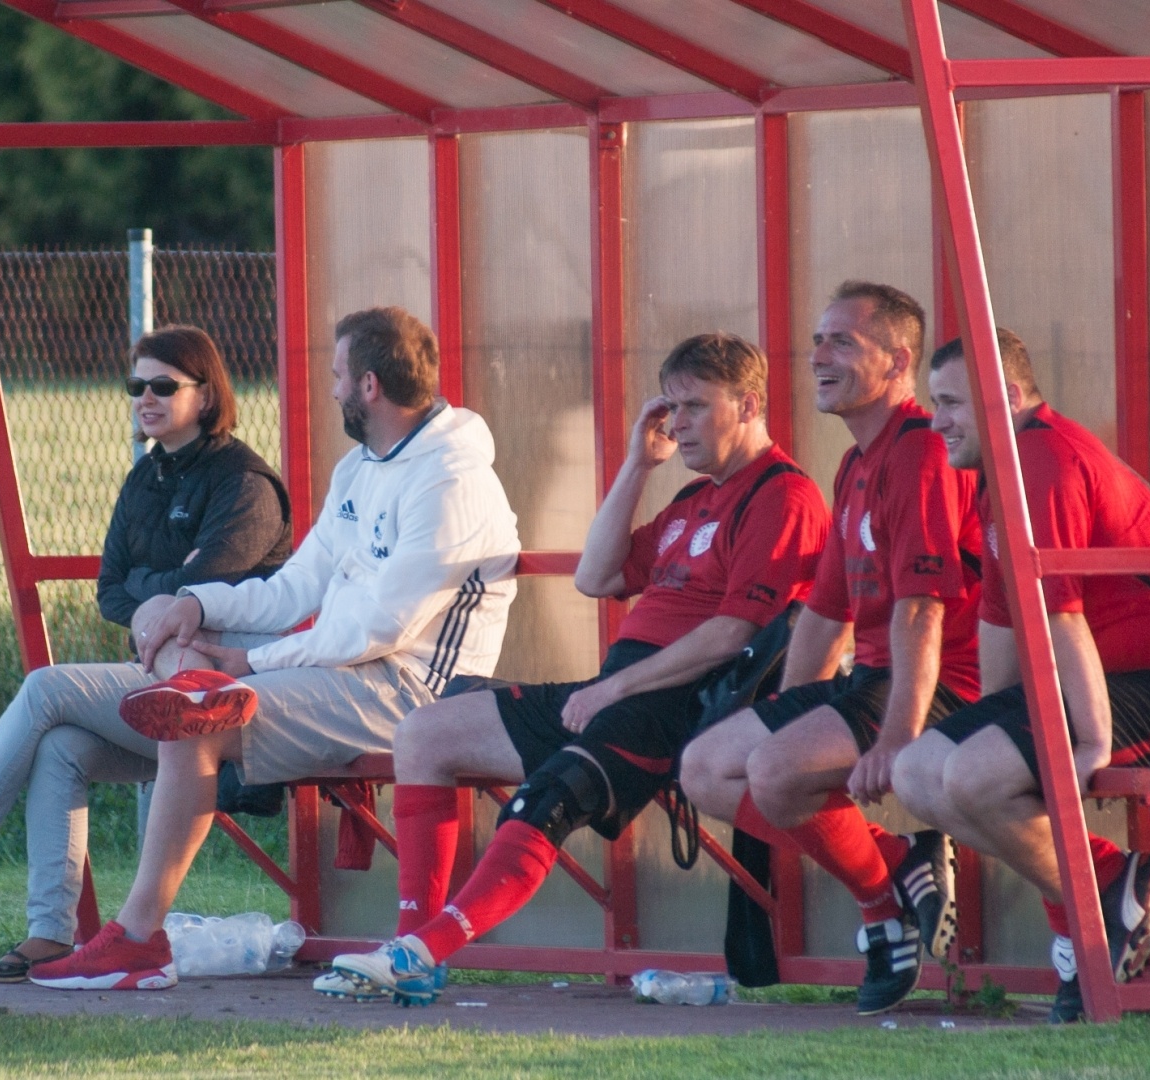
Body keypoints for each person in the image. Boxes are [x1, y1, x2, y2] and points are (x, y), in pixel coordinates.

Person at [323, 331, 829, 1005]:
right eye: (670, 408)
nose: (678, 424)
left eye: (695, 408)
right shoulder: (693, 499)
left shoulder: (781, 495)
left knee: (549, 795)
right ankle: (413, 951)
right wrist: (637, 467)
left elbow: (732, 634)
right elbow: (596, 576)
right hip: (619, 688)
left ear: (748, 405)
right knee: (425, 734)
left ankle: (425, 951)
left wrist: (616, 687)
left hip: (682, 702)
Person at [26, 305, 522, 991]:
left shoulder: (452, 481)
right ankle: (129, 938)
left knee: (200, 712)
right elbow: (294, 590)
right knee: (187, 708)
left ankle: (139, 940)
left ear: (370, 386)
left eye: (339, 375)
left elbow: (383, 629)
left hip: (414, 693)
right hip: (347, 677)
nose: (333, 388)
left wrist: (251, 662)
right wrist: (197, 603)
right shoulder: (361, 469)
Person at [0, 325, 293, 982]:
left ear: (206, 396)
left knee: (46, 688)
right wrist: (157, 600)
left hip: (230, 704)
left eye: (163, 386)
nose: (145, 398)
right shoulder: (145, 477)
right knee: (60, 746)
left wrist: (159, 598)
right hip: (161, 692)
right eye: (136, 386)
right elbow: (112, 590)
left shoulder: (246, 485)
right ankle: (50, 936)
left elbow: (207, 592)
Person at [892, 329, 1150, 1023]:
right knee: (918, 772)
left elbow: (1062, 616)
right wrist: (988, 728)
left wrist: (1086, 743)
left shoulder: (1039, 458)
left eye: (953, 404)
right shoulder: (997, 480)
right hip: (1104, 681)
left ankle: (1097, 906)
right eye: (935, 404)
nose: (938, 422)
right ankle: (1108, 881)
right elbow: (1002, 628)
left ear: (1009, 397)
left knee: (970, 776)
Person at [678, 282, 982, 1016]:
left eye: (842, 342)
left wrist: (901, 741)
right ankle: (892, 873)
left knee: (775, 774)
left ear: (899, 361)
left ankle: (885, 916)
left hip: (944, 678)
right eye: (818, 340)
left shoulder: (917, 452)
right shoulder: (854, 464)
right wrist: (790, 706)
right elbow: (824, 611)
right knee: (707, 770)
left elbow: (920, 607)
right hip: (872, 678)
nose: (818, 356)